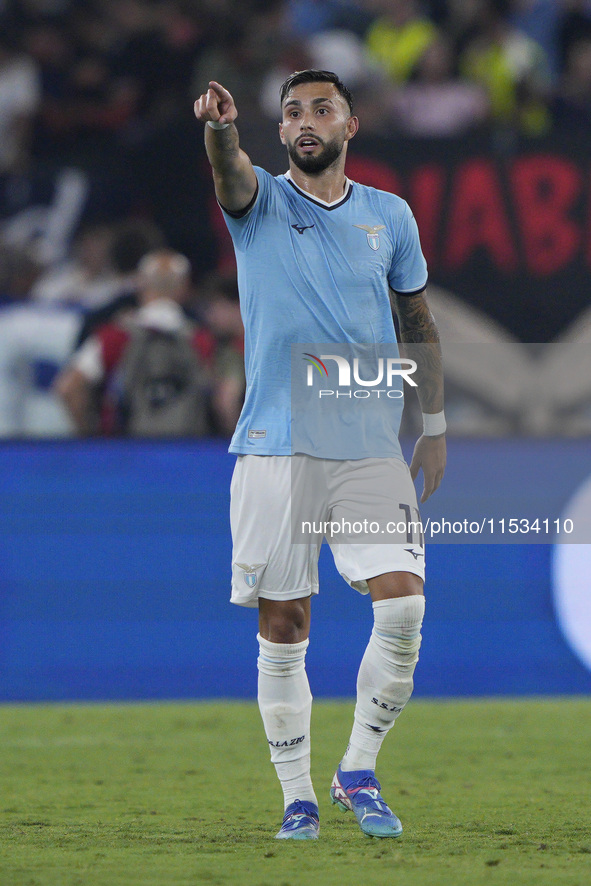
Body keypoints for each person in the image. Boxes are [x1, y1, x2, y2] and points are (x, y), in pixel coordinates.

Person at [193, 69, 446, 841]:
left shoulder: (387, 215)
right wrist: (220, 131)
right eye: (292, 112)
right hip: (275, 441)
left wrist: (431, 425)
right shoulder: (260, 201)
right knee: (284, 619)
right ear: (279, 132)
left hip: (366, 441)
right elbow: (227, 173)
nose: (306, 120)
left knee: (402, 604)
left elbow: (416, 319)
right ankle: (296, 795)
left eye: (321, 109)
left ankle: (358, 769)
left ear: (349, 124)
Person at [56, 249, 214, 437]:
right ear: (185, 288)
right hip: (190, 451)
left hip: (126, 452)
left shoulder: (115, 336)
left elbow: (68, 388)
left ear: (141, 284)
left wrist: (92, 439)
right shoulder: (202, 340)